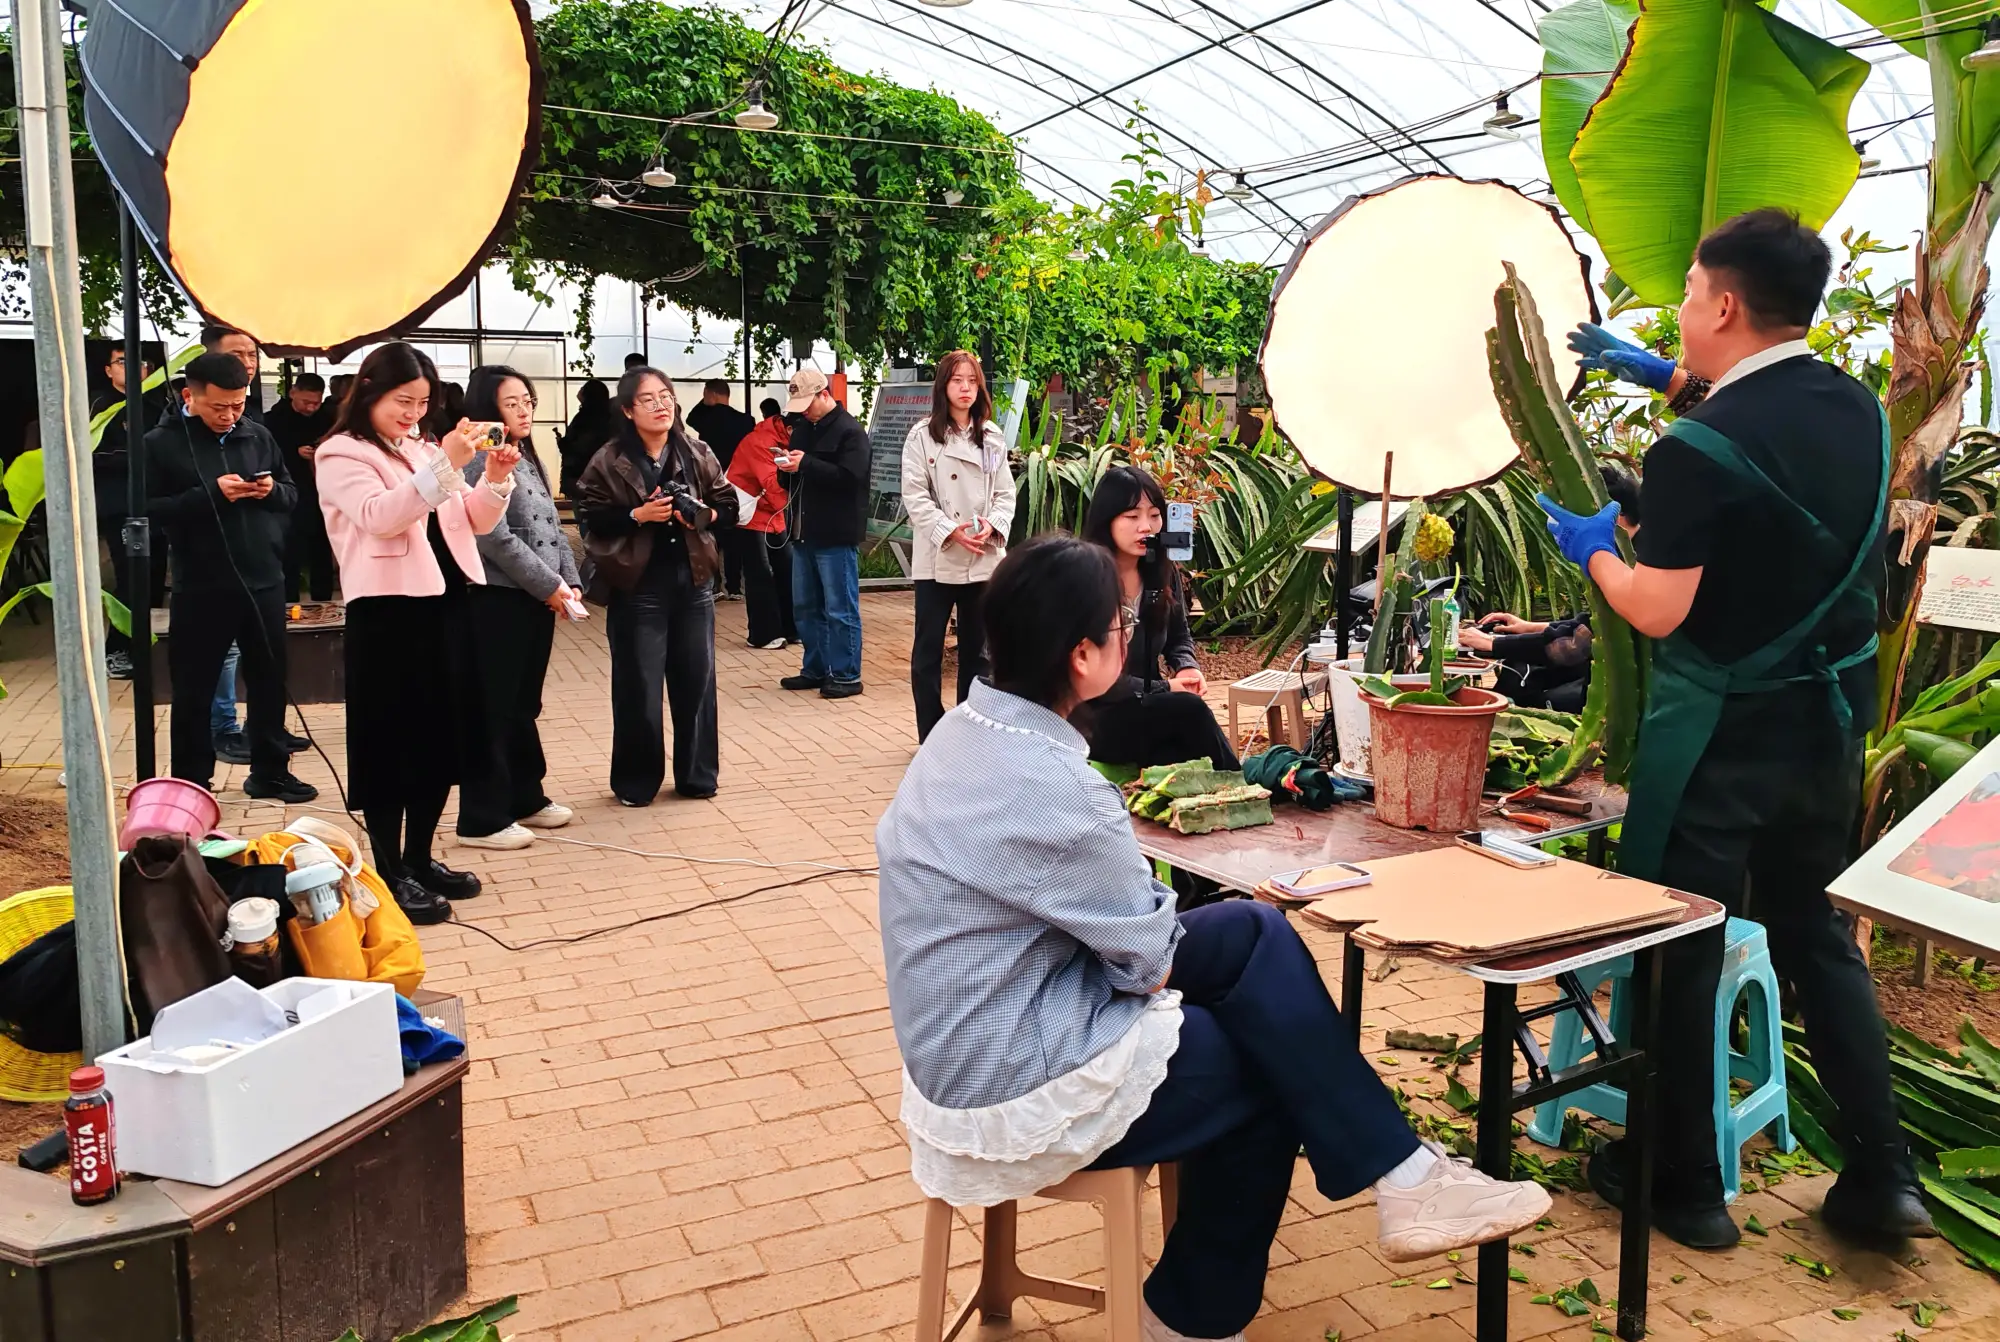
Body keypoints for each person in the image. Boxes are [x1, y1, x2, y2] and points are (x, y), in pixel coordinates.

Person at [877, 534, 1553, 1342]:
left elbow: (1135, 941)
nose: (1131, 637)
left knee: (1249, 926)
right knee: (1270, 1069)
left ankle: (1403, 1175)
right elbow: (1149, 966)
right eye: (1122, 625)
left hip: (961, 1037)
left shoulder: (963, 732)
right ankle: (1190, 1319)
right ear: (1083, 655)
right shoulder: (1058, 787)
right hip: (1013, 1074)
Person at [1544, 209, 1926, 1248]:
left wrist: (1594, 551)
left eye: (1683, 296)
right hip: (1825, 734)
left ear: (1721, 305)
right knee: (1815, 937)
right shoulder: (1857, 408)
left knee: (1680, 941)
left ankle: (1684, 1185)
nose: (1674, 314)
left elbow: (1657, 608)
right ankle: (1883, 1175)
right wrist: (1660, 377)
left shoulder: (1689, 452)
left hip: (1718, 742)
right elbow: (1771, 449)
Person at [315, 342, 519, 925]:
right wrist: (445, 462)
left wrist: (495, 480)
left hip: (446, 604)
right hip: (388, 612)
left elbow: (471, 521)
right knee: (391, 746)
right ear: (370, 391)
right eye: (402, 401)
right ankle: (388, 868)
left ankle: (420, 858)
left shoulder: (422, 449)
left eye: (423, 403)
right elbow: (379, 517)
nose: (412, 414)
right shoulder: (341, 452)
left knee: (441, 741)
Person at [141, 353, 317, 804]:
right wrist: (212, 494)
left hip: (264, 577)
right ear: (190, 395)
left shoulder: (257, 434)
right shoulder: (161, 443)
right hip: (202, 584)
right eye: (219, 406)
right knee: (194, 689)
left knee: (269, 680)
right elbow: (148, 510)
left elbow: (290, 493)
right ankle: (192, 783)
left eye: (237, 405)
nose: (229, 415)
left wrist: (270, 491)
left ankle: (270, 771)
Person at [574, 368, 737, 805]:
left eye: (666, 396)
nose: (661, 405)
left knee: (697, 682)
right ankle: (636, 782)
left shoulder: (696, 450)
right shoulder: (609, 458)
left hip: (694, 583)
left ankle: (697, 776)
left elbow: (727, 503)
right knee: (639, 686)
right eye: (648, 399)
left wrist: (704, 515)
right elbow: (590, 516)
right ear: (628, 410)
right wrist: (637, 516)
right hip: (637, 586)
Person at [454, 366, 583, 851]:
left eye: (527, 400)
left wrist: (569, 581)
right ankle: (482, 817)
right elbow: (491, 536)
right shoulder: (478, 455)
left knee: (524, 703)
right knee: (494, 706)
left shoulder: (525, 452)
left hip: (534, 596)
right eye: (512, 403)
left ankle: (526, 795)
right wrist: (549, 585)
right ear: (487, 409)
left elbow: (550, 523)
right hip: (497, 596)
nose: (524, 410)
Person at [1079, 466, 1236, 768]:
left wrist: (1186, 667)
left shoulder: (1161, 571)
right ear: (1106, 519)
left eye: (1154, 515)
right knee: (1189, 711)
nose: (1146, 527)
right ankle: (1239, 782)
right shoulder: (1085, 576)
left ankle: (1229, 788)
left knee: (1180, 752)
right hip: (1095, 714)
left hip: (1148, 707)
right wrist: (1165, 688)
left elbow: (1178, 636)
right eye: (1132, 516)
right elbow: (1089, 672)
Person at [1461, 466, 1641, 712]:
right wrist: (1527, 627)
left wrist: (1493, 644)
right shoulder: (1626, 553)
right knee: (1522, 672)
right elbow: (1591, 623)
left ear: (1613, 516)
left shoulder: (1639, 561)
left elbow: (1578, 643)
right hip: (1614, 685)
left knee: (1528, 693)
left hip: (1625, 702)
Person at [902, 351, 1015, 742]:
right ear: (943, 386)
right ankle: (931, 736)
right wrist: (950, 531)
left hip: (982, 556)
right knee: (927, 653)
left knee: (978, 654)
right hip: (938, 557)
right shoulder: (922, 436)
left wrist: (992, 525)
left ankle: (970, 736)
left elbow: (1005, 493)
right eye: (956, 380)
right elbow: (915, 495)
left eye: (972, 380)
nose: (965, 388)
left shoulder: (992, 436)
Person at [775, 368, 870, 698]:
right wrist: (785, 468)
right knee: (806, 606)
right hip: (803, 530)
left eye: (807, 404)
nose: (803, 412)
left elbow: (852, 479)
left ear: (824, 395)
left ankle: (846, 674)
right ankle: (815, 668)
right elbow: (793, 479)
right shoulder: (802, 430)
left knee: (840, 608)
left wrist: (805, 464)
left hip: (835, 534)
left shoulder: (850, 432)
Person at [89, 343, 160, 680]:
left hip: (155, 505)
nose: (131, 367)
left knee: (154, 577)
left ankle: (145, 647)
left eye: (139, 361)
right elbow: (91, 456)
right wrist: (138, 457)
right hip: (119, 506)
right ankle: (116, 650)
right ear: (108, 370)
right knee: (131, 577)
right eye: (121, 362)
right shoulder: (100, 407)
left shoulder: (155, 406)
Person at [724, 396, 797, 650]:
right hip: (751, 514)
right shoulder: (761, 442)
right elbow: (773, 486)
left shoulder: (784, 439)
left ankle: (791, 628)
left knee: (787, 568)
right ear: (790, 428)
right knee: (760, 573)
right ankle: (763, 634)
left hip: (774, 515)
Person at [266, 372, 336, 603]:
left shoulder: (326, 419)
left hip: (321, 491)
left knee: (322, 546)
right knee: (290, 548)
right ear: (293, 393)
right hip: (289, 491)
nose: (311, 408)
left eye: (316, 403)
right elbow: (268, 454)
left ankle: (323, 599)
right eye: (306, 402)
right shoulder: (274, 419)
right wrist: (294, 452)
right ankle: (289, 599)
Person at [687, 379, 757, 600]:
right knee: (734, 532)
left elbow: (689, 418)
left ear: (711, 394)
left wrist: (705, 400)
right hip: (736, 480)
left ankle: (715, 585)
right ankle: (734, 587)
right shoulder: (746, 420)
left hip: (711, 481)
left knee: (712, 533)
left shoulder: (706, 419)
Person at [560, 378, 614, 505]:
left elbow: (582, 446)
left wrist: (564, 444)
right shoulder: (607, 416)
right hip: (599, 476)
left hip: (581, 475)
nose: (579, 391)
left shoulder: (586, 417)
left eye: (583, 388)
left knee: (586, 509)